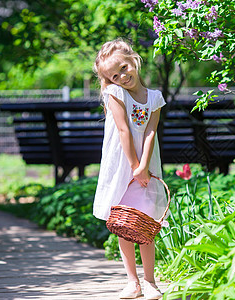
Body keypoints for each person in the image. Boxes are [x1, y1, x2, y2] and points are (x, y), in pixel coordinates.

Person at [93, 38, 167, 299]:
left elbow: (150, 131)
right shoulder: (115, 94)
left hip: (144, 166)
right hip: (122, 165)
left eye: (124, 68)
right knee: (123, 222)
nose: (122, 76)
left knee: (144, 222)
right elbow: (124, 130)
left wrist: (144, 167)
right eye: (114, 75)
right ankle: (132, 281)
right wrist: (134, 166)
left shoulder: (154, 98)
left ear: (133, 60)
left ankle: (150, 281)